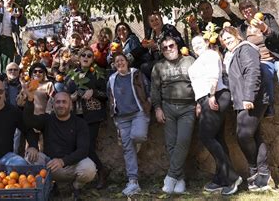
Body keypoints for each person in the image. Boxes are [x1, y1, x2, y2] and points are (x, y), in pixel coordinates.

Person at [220, 26, 272, 191]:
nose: (227, 41)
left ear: (237, 35)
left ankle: (254, 171)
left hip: (252, 98)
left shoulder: (245, 49)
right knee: (254, 135)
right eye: (224, 40)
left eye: (229, 37)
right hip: (242, 99)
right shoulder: (233, 53)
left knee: (243, 134)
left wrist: (248, 97)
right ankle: (264, 176)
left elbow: (253, 72)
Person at [188, 36, 241, 195]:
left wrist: (211, 95)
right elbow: (198, 84)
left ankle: (231, 177)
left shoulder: (210, 54)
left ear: (206, 43)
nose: (196, 46)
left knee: (206, 137)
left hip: (216, 95)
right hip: (205, 98)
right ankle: (221, 178)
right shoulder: (197, 61)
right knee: (217, 138)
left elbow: (214, 75)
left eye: (199, 42)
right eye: (193, 44)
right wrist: (199, 102)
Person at [238, 0, 279, 121]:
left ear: (255, 7)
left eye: (249, 6)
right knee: (265, 74)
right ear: (241, 13)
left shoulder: (267, 18)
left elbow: (278, 37)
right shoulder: (242, 28)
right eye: (243, 8)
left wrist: (265, 28)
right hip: (261, 60)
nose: (246, 9)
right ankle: (269, 106)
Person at [23, 91, 97, 201]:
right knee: (30, 157)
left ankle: (76, 187)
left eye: (64, 102)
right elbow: (29, 121)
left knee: (89, 168)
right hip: (49, 166)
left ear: (70, 105)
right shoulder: (47, 119)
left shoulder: (80, 123)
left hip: (72, 165)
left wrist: (63, 161)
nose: (61, 105)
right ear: (53, 105)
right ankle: (49, 186)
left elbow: (83, 150)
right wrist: (29, 100)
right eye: (57, 102)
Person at [151, 36, 195, 194]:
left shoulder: (190, 61)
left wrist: (199, 103)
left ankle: (170, 177)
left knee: (183, 141)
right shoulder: (158, 66)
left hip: (188, 107)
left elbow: (199, 81)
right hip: (168, 107)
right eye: (165, 48)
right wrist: (157, 108)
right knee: (171, 144)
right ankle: (180, 179)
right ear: (161, 51)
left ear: (177, 46)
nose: (169, 49)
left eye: (171, 45)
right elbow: (154, 89)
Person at [107, 53, 151, 197]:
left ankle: (134, 141)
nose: (119, 63)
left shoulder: (136, 74)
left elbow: (147, 88)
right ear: (114, 65)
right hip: (121, 118)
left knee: (138, 136)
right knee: (127, 150)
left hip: (138, 112)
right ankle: (133, 181)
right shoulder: (112, 79)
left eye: (122, 60)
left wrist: (149, 104)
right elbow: (110, 96)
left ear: (127, 62)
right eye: (116, 61)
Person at [66, 47, 108, 189]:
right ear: (79, 57)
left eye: (89, 56)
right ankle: (83, 177)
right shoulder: (71, 75)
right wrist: (71, 97)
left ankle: (101, 171)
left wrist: (93, 92)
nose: (86, 57)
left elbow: (106, 94)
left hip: (92, 115)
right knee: (78, 146)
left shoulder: (97, 74)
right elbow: (66, 94)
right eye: (83, 55)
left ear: (92, 59)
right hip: (76, 116)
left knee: (88, 146)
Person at [141, 12, 185, 78]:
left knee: (145, 68)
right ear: (150, 24)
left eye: (156, 19)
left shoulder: (168, 28)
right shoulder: (150, 32)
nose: (155, 22)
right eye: (152, 21)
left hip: (168, 57)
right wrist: (145, 45)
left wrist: (157, 46)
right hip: (155, 58)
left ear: (161, 20)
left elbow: (179, 41)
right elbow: (146, 44)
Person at [4, 62, 23, 154]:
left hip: (18, 115)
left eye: (15, 70)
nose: (13, 71)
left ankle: (13, 160)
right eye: (10, 70)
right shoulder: (1, 84)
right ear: (6, 71)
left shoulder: (23, 85)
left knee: (16, 140)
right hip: (3, 114)